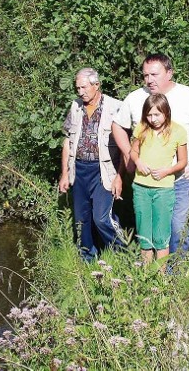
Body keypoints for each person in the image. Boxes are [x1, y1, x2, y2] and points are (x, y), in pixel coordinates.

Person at [112, 54, 189, 255]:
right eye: (145, 75)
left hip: (178, 178)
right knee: (148, 228)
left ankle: (175, 272)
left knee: (178, 227)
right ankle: (151, 274)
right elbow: (118, 125)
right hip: (145, 181)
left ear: (169, 73)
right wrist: (130, 155)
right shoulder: (135, 98)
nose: (149, 80)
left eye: (154, 74)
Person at [59, 68, 126, 261]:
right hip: (78, 169)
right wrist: (65, 173)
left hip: (103, 170)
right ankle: (87, 257)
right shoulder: (75, 107)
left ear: (97, 85)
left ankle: (122, 254)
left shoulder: (116, 107)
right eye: (77, 87)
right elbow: (67, 141)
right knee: (81, 219)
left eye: (84, 87)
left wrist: (120, 177)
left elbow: (125, 147)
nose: (80, 92)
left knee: (102, 218)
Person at [129, 93, 187, 266]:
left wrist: (167, 171)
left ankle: (160, 278)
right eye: (149, 114)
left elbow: (183, 161)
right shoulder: (142, 128)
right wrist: (138, 161)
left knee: (161, 235)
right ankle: (146, 275)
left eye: (157, 114)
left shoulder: (178, 131)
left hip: (163, 189)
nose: (153, 119)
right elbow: (133, 152)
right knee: (144, 234)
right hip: (141, 187)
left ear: (166, 112)